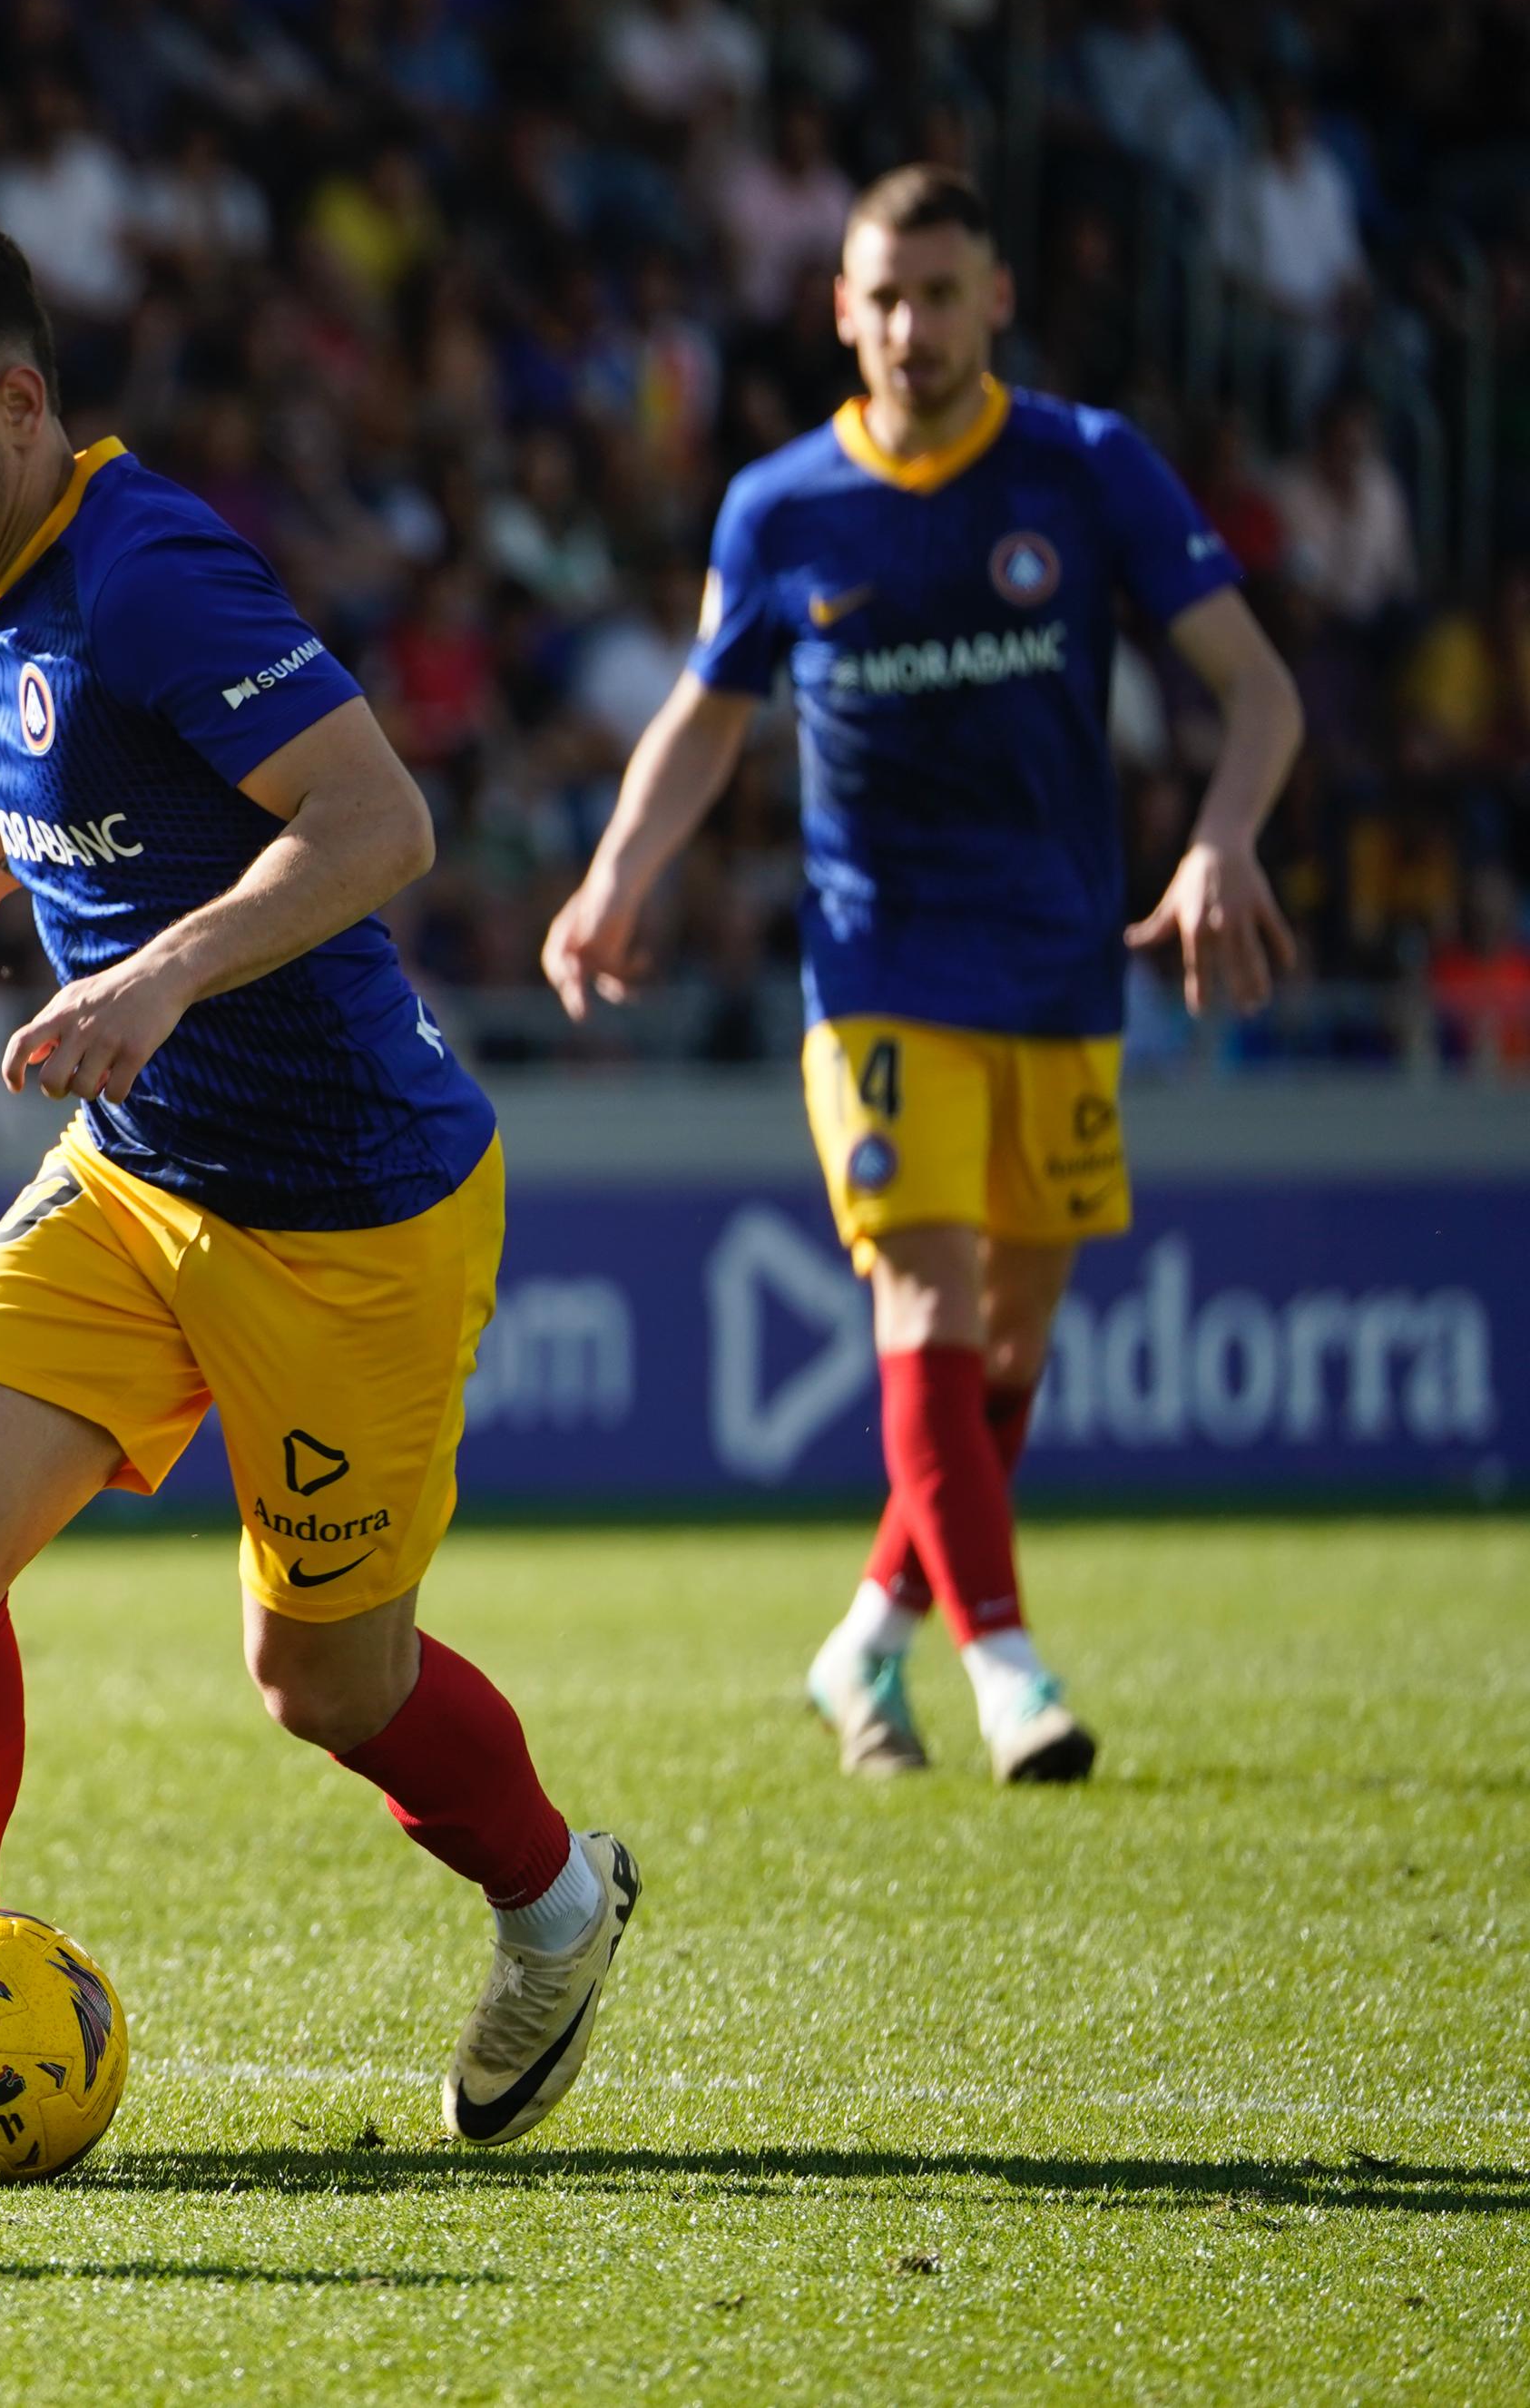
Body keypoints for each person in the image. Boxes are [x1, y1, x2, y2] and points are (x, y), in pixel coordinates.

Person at [0, 203, 637, 2170]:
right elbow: (116, 771)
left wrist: (149, 977)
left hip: (349, 1208)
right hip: (141, 1176)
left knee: (325, 1683)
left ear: (18, 403)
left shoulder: (154, 569)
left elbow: (377, 820)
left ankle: (559, 1898)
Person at [542, 166, 1304, 1785]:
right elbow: (705, 719)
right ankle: (1008, 1669)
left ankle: (866, 1638)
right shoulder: (782, 506)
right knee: (926, 1300)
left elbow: (1261, 690)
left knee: (1006, 1353)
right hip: (879, 962)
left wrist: (1223, 840)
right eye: (884, 297)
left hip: (1060, 961)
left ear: (996, 300)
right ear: (841, 309)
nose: (912, 327)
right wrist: (616, 874)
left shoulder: (1086, 465)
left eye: (941, 294)